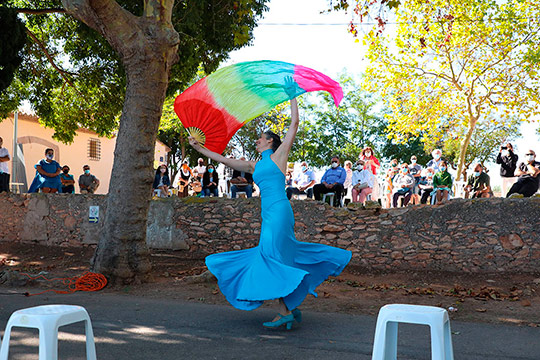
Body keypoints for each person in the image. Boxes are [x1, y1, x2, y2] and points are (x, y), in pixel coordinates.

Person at [189, 97, 351, 330]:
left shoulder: (279, 156)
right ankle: (290, 307)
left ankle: (284, 311)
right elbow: (223, 159)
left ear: (271, 142)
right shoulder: (255, 165)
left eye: (260, 138)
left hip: (279, 212)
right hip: (268, 214)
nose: (257, 140)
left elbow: (294, 124)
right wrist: (198, 148)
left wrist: (292, 95)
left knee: (271, 256)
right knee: (278, 256)